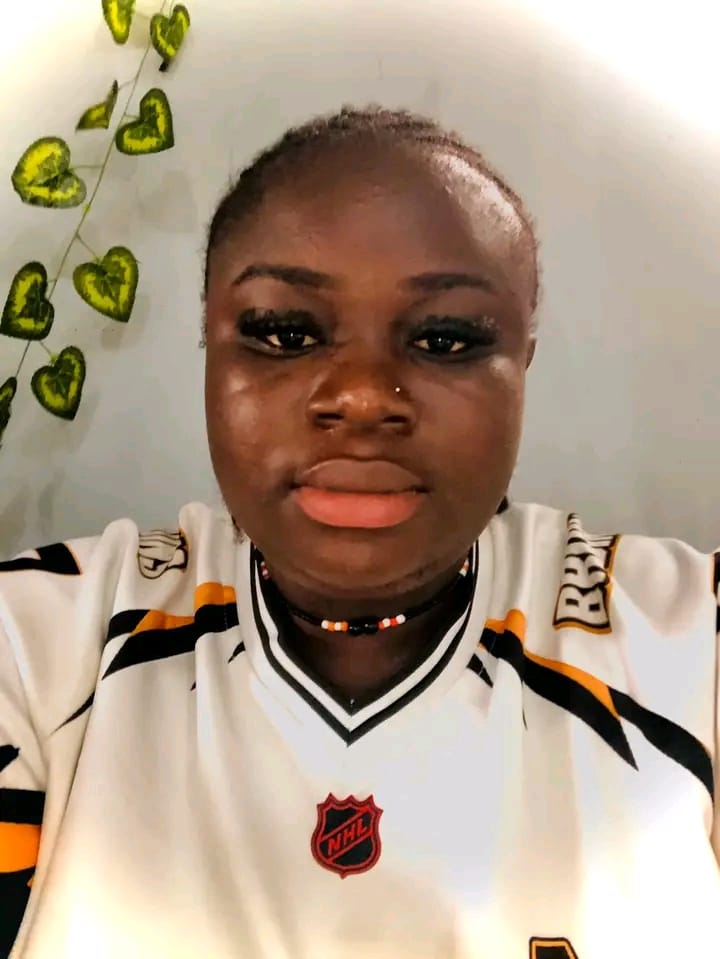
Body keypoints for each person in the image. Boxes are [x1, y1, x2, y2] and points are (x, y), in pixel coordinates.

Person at [0, 105, 718, 959]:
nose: (365, 395)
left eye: (445, 338)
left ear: (522, 361)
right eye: (285, 333)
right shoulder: (38, 642)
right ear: (210, 348)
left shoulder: (686, 646)